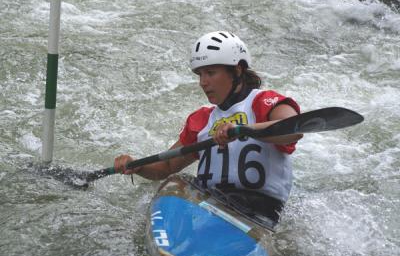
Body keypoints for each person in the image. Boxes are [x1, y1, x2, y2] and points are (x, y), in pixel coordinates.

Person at [114, 31, 302, 223]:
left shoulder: (264, 102)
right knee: (176, 182)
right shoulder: (202, 119)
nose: (203, 82)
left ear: (237, 71)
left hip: (261, 212)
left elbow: (292, 128)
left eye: (211, 73)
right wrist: (136, 165)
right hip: (211, 205)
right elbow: (168, 166)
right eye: (200, 74)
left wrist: (242, 129)